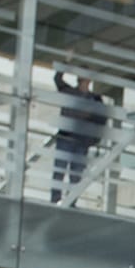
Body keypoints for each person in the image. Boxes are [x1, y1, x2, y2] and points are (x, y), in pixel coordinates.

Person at [50, 70, 110, 204]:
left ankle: (70, 201)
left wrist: (93, 138)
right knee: (60, 171)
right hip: (67, 137)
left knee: (75, 175)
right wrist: (65, 63)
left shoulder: (95, 99)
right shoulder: (71, 92)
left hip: (81, 141)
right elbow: (57, 79)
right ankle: (56, 200)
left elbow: (101, 120)